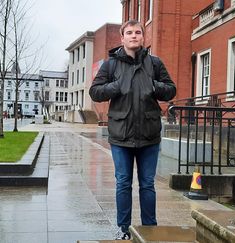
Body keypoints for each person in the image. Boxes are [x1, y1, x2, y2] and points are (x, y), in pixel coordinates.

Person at [89, 20, 176, 240]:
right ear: (122, 38)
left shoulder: (154, 63)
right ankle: (124, 229)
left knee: (147, 184)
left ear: (143, 37)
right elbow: (95, 92)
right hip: (121, 135)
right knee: (123, 183)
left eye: (138, 32)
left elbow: (171, 90)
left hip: (149, 134)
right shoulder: (110, 65)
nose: (134, 36)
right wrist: (116, 86)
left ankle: (149, 229)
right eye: (129, 32)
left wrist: (154, 86)